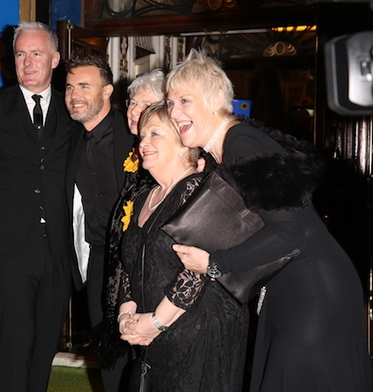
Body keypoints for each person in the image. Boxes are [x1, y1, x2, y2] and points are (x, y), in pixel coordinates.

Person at [168, 49, 373, 391]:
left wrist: (215, 264)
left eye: (185, 100)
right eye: (171, 102)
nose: (175, 112)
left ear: (216, 99)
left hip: (312, 293)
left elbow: (289, 231)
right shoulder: (232, 146)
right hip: (299, 288)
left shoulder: (240, 143)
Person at [0, 22, 79, 391]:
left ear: (54, 59)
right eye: (20, 54)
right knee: (12, 345)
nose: (28, 61)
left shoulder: (74, 110)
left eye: (36, 53)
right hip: (7, 251)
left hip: (58, 250)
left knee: (44, 347)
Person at [117, 103, 248, 391]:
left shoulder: (196, 190)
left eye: (155, 134)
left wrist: (155, 322)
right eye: (141, 136)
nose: (143, 143)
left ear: (181, 144)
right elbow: (130, 261)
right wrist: (126, 315)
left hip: (199, 333)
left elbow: (196, 271)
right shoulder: (144, 197)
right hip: (155, 334)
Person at [64, 54, 135, 390]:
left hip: (138, 260)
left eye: (84, 86)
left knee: (141, 352)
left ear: (107, 91)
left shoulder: (134, 134)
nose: (74, 94)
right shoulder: (69, 139)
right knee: (108, 353)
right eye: (69, 87)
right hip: (97, 261)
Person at [99, 69, 165, 370]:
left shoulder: (170, 162)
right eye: (132, 102)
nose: (136, 111)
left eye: (146, 105)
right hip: (126, 279)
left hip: (158, 289)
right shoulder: (133, 153)